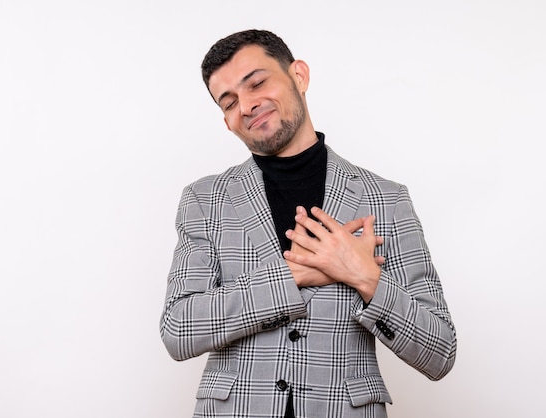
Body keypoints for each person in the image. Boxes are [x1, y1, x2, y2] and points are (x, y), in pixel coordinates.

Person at [160, 29, 456, 418]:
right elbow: (179, 330)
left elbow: (440, 352)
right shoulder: (205, 199)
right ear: (227, 121)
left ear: (299, 75)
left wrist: (364, 276)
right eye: (228, 102)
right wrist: (291, 274)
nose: (247, 105)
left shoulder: (386, 199)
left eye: (257, 83)